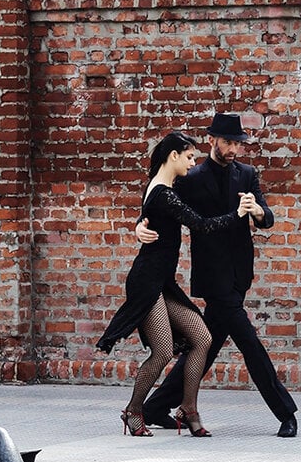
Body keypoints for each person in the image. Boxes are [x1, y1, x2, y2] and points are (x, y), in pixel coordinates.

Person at [138, 112, 299, 438]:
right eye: (227, 143)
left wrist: (259, 212)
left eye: (237, 144)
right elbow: (160, 201)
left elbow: (267, 218)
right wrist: (140, 225)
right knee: (250, 343)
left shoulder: (247, 174)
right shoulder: (191, 177)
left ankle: (155, 407)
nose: (233, 150)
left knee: (204, 346)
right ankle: (286, 412)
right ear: (212, 140)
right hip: (214, 277)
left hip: (240, 275)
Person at [97, 131, 255, 438]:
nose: (193, 162)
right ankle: (133, 411)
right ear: (174, 156)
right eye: (189, 157)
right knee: (162, 351)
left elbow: (146, 216)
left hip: (162, 281)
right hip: (147, 282)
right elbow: (202, 225)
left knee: (201, 337)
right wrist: (237, 215)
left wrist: (138, 225)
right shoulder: (164, 194)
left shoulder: (163, 186)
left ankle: (188, 408)